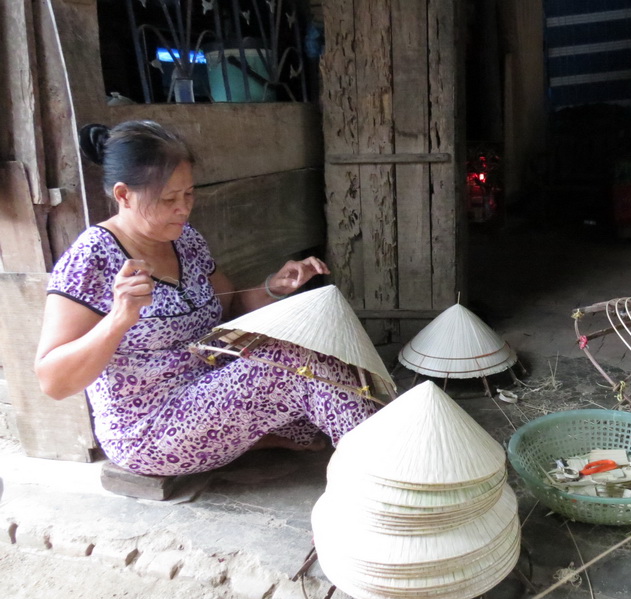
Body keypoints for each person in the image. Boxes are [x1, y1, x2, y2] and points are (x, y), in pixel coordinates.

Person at [34, 120, 376, 477]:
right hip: (149, 429)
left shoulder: (186, 241)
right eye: (168, 199)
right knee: (298, 368)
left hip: (210, 392)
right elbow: (53, 382)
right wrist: (118, 319)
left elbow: (230, 308)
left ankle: (380, 440)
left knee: (322, 375)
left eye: (189, 194)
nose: (183, 208)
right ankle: (389, 474)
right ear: (123, 195)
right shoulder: (92, 258)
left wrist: (275, 286)